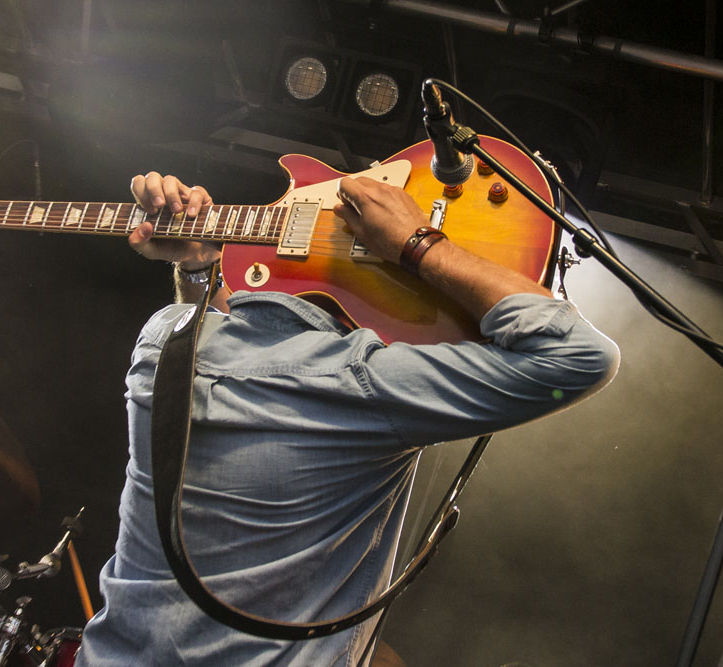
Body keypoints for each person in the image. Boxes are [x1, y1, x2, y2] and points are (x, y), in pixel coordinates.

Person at [75, 172, 619, 666]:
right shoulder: (362, 384)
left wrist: (197, 267)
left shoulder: (160, 338)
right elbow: (579, 355)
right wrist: (418, 244)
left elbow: (204, 329)